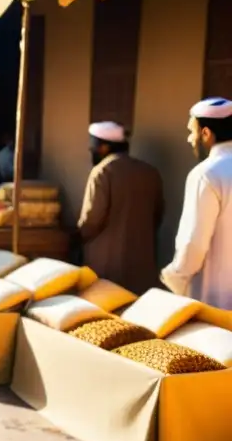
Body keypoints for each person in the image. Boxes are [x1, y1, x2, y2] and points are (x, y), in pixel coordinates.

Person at [161, 97, 232, 309]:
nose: (190, 139)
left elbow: (194, 244)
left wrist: (173, 277)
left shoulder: (206, 174)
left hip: (214, 301)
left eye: (192, 132)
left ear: (206, 133)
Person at [78, 121, 164, 294]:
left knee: (108, 318)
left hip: (107, 267)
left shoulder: (103, 171)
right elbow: (158, 214)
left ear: (102, 147)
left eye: (92, 148)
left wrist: (76, 237)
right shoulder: (150, 172)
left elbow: (91, 220)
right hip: (142, 267)